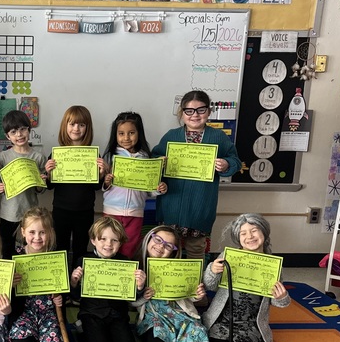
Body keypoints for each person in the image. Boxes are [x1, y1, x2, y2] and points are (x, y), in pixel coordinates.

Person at [152, 90, 242, 265]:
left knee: (196, 249)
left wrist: (225, 164)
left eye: (201, 110)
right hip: (171, 204)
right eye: (189, 111)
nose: (195, 115)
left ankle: (195, 287)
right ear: (182, 113)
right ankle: (167, 286)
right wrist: (159, 162)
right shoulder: (171, 136)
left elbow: (235, 161)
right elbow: (153, 160)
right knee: (167, 249)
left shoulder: (218, 137)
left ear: (208, 111)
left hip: (200, 207)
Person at [201, 213, 290, 342]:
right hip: (223, 318)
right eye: (243, 233)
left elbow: (276, 301)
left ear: (264, 232)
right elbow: (209, 286)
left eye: (254, 230)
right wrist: (212, 270)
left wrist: (282, 297)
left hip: (250, 322)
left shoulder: (272, 265)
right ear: (238, 238)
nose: (249, 236)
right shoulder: (227, 256)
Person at [70, 216, 145, 342]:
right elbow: (75, 297)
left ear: (120, 242)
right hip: (92, 314)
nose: (108, 244)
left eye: (114, 240)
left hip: (117, 314)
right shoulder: (84, 261)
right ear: (93, 240)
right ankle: (82, 331)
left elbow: (133, 298)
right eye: (102, 239)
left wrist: (140, 286)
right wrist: (74, 283)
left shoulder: (126, 263)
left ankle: (106, 336)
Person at [133, 225, 209, 342]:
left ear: (173, 251)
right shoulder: (136, 267)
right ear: (148, 239)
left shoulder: (180, 268)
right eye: (158, 240)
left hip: (182, 315)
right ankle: (170, 340)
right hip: (154, 317)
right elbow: (130, 303)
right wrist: (142, 294)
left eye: (168, 246)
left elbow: (190, 296)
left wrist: (197, 295)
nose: (161, 246)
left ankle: (179, 340)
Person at [44, 105, 105, 269]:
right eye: (72, 124)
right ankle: (61, 289)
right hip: (61, 210)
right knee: (60, 248)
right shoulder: (56, 154)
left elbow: (97, 187)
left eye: (81, 125)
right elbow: (49, 186)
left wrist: (101, 174)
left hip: (84, 211)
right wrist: (48, 173)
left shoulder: (93, 155)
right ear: (65, 126)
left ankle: (76, 284)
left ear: (87, 128)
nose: (76, 128)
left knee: (81, 249)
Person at [102, 111, 167, 259]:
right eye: (121, 133)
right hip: (111, 212)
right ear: (115, 135)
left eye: (131, 133)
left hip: (135, 212)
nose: (126, 138)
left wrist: (158, 189)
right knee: (108, 248)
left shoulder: (146, 157)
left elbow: (149, 190)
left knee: (129, 249)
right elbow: (104, 186)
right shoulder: (110, 156)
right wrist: (106, 182)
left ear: (139, 133)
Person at [9, 207, 66, 342]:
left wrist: (60, 298)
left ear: (50, 232)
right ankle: (33, 338)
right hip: (24, 312)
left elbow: (63, 286)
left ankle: (42, 338)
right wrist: (10, 284)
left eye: (42, 232)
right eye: (32, 232)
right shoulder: (15, 256)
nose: (37, 237)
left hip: (48, 312)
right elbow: (5, 295)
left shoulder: (56, 257)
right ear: (23, 232)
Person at [0, 110, 47, 258]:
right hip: (8, 214)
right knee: (7, 250)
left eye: (23, 129)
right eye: (13, 131)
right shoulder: (3, 157)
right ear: (7, 136)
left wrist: (41, 183)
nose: (19, 135)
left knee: (30, 251)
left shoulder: (38, 157)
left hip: (31, 214)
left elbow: (40, 189)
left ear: (29, 130)